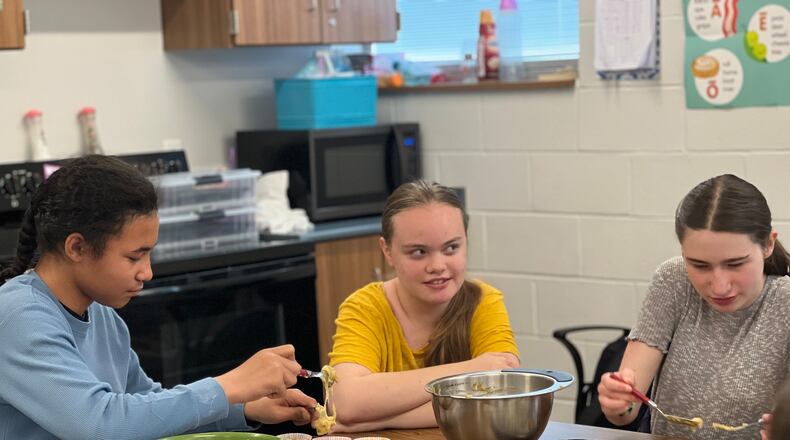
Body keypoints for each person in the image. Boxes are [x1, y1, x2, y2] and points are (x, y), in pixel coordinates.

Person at [0, 155, 316, 440]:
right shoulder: (19, 316)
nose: (147, 273)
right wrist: (228, 386)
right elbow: (99, 423)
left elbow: (145, 408)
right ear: (77, 248)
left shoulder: (102, 314)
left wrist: (243, 408)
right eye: (134, 257)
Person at [597, 174, 790, 440]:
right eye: (699, 265)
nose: (719, 286)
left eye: (735, 264)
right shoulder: (674, 280)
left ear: (768, 244)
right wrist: (617, 401)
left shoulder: (785, 303)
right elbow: (627, 409)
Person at [328, 179, 520, 432]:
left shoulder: (483, 300)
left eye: (451, 248)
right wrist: (475, 369)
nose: (437, 266)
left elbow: (501, 402)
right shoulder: (365, 307)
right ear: (387, 251)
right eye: (418, 252)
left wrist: (382, 418)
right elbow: (345, 403)